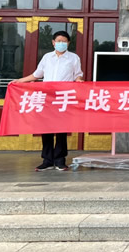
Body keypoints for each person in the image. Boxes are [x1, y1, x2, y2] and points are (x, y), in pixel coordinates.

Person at [13, 30, 83, 171]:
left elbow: (78, 75)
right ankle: (47, 160)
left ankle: (60, 160)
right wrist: (19, 81)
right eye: (59, 41)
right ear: (53, 42)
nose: (61, 43)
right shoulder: (47, 57)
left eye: (64, 41)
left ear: (68, 43)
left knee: (61, 130)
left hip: (63, 98)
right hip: (47, 97)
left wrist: (80, 80)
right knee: (46, 129)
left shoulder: (74, 58)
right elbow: (37, 75)